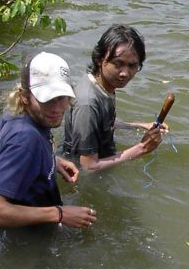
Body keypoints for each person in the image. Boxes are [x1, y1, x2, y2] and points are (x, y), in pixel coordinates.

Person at [0, 52, 97, 228]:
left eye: (61, 97)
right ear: (25, 96)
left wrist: (47, 159)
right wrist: (60, 214)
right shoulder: (25, 139)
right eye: (46, 99)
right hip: (30, 236)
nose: (56, 108)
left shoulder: (14, 113)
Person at [62, 24, 166, 170]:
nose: (125, 73)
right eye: (118, 64)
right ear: (100, 59)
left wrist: (139, 125)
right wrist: (141, 148)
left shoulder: (101, 86)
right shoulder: (88, 103)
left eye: (132, 66)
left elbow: (102, 123)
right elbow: (88, 167)